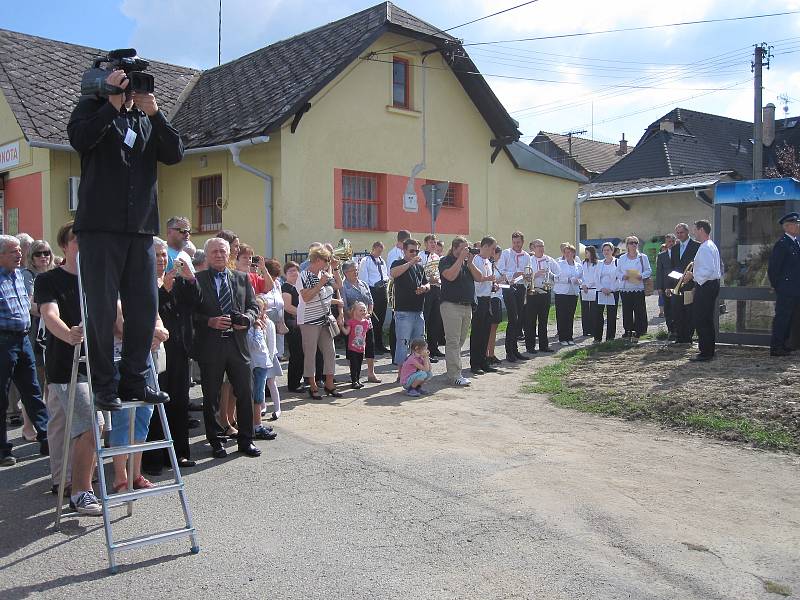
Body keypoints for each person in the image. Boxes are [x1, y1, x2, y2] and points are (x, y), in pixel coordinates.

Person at [67, 66, 182, 412]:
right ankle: (104, 385)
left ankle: (134, 378)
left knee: (145, 307)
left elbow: (175, 152)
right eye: (127, 86)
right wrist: (111, 104)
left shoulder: (145, 119)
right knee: (102, 310)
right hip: (100, 228)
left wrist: (155, 113)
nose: (132, 92)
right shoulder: (90, 109)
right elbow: (80, 139)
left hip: (141, 229)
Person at [35, 221, 104, 513]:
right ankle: (80, 491)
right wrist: (69, 335)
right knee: (88, 426)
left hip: (95, 365)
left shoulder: (97, 278)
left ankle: (72, 480)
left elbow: (115, 316)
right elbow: (50, 315)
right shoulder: (48, 280)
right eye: (77, 240)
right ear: (65, 245)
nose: (83, 245)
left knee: (72, 427)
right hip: (66, 365)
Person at [192, 237, 262, 458]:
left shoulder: (242, 278)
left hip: (237, 345)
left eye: (223, 251)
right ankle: (216, 441)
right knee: (211, 396)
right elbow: (188, 313)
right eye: (214, 252)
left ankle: (246, 440)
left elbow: (253, 306)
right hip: (211, 346)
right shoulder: (197, 280)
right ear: (207, 255)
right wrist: (209, 321)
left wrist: (247, 319)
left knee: (245, 392)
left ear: (229, 254)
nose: (219, 255)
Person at [141, 238, 199, 475]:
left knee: (179, 403)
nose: (162, 259)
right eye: (156, 255)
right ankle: (153, 458)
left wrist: (191, 278)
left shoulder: (178, 280)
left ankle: (179, 454)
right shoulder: (141, 282)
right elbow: (147, 310)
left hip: (179, 350)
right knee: (155, 407)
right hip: (154, 352)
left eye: (165, 255)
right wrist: (163, 289)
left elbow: (198, 302)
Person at [0, 235, 48, 466]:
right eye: (13, 251)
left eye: (19, 250)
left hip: (23, 340)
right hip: (3, 341)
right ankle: (3, 450)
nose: (19, 254)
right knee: (2, 396)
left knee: (33, 391)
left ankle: (47, 437)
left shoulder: (19, 276)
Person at [297, 246, 343, 399]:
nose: (328, 262)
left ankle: (330, 384)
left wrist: (335, 269)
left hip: (325, 319)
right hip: (309, 320)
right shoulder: (303, 275)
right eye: (326, 260)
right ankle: (313, 385)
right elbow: (306, 297)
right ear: (317, 260)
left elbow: (339, 285)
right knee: (310, 353)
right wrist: (320, 284)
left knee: (330, 352)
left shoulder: (324, 273)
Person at [439, 237, 483, 384]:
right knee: (452, 341)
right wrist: (460, 260)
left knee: (460, 341)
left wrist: (469, 262)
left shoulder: (466, 263)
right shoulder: (446, 261)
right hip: (451, 305)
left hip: (466, 306)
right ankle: (454, 375)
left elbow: (479, 277)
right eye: (464, 248)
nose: (467, 251)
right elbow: (450, 276)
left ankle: (453, 371)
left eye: (468, 248)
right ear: (455, 248)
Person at [683, 220, 721, 361]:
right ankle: (708, 350)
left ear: (701, 230)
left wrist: (693, 275)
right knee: (706, 319)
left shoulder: (705, 247)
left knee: (701, 319)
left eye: (695, 230)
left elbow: (708, 270)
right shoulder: (710, 245)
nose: (693, 233)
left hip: (706, 285)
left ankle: (705, 352)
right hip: (710, 284)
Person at [390, 238, 429, 369]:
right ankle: (401, 373)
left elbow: (426, 282)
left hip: (418, 310)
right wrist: (411, 262)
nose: (415, 253)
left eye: (417, 251)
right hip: (403, 311)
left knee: (419, 344)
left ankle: (415, 370)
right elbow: (393, 273)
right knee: (403, 343)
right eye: (411, 251)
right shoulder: (398, 263)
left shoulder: (419, 267)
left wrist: (425, 288)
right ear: (404, 250)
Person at [341, 261, 381, 384]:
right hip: (353, 324)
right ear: (346, 272)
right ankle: (353, 374)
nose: (356, 272)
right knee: (352, 350)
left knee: (370, 345)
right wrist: (356, 317)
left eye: (357, 269)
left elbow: (370, 301)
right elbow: (344, 306)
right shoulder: (343, 287)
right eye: (353, 270)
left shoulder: (363, 284)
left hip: (366, 323)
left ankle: (371, 373)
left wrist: (368, 313)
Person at [247, 296, 281, 436]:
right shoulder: (252, 325)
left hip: (264, 362)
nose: (260, 312)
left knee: (260, 393)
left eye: (261, 309)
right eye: (257, 309)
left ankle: (258, 422)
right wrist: (257, 328)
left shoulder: (268, 323)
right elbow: (255, 345)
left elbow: (270, 345)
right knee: (256, 395)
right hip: (256, 363)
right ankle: (256, 425)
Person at [767, 213, 800, 357]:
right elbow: (773, 269)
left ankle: (785, 344)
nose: (798, 226)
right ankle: (776, 347)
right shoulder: (782, 244)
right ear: (787, 226)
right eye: (795, 223)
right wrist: (779, 287)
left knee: (791, 318)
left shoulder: (795, 243)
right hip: (786, 289)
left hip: (795, 289)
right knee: (782, 318)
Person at [496, 232, 531, 362]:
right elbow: (500, 270)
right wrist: (514, 274)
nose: (516, 245)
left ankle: (515, 350)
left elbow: (528, 271)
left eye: (518, 242)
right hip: (509, 288)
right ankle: (509, 351)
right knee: (513, 318)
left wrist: (527, 276)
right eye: (514, 242)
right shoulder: (506, 253)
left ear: (522, 242)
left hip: (521, 287)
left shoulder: (526, 255)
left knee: (519, 319)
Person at [470, 237, 499, 374]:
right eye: (493, 248)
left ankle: (484, 361)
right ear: (485, 246)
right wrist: (488, 279)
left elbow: (487, 280)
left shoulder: (488, 261)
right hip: (478, 300)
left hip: (487, 298)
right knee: (477, 332)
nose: (494, 251)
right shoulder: (475, 259)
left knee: (486, 331)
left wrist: (493, 285)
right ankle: (475, 363)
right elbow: (477, 280)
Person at [526, 239, 560, 353]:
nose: (540, 248)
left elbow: (558, 273)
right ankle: (530, 347)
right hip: (532, 292)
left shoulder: (549, 260)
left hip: (545, 292)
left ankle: (544, 345)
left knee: (543, 320)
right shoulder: (529, 260)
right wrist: (536, 275)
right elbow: (525, 276)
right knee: (530, 320)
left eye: (542, 246)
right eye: (538, 246)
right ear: (533, 248)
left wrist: (551, 275)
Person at [670, 223, 700, 345]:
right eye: (677, 233)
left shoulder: (697, 246)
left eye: (681, 232)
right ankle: (679, 336)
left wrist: (691, 278)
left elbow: (698, 265)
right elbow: (672, 267)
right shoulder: (674, 248)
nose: (679, 235)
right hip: (677, 284)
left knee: (689, 311)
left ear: (687, 232)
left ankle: (688, 336)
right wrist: (671, 285)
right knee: (677, 311)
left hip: (690, 284)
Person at [616, 236, 651, 341]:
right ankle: (628, 330)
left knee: (639, 309)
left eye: (636, 242)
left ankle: (639, 330)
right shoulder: (622, 258)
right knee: (627, 310)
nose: (634, 244)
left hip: (638, 286)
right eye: (631, 243)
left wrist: (641, 275)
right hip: (626, 287)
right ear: (627, 245)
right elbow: (617, 272)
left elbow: (648, 271)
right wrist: (623, 276)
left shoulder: (642, 257)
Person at [358, 241, 390, 354]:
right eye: (378, 251)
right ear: (373, 248)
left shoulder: (382, 261)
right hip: (372, 291)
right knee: (373, 320)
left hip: (382, 291)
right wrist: (367, 295)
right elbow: (363, 279)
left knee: (381, 319)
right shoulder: (365, 261)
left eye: (381, 251)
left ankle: (380, 344)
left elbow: (386, 274)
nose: (379, 253)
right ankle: (372, 345)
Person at [281, 262, 306, 392]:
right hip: (292, 323)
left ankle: (298, 380)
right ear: (285, 274)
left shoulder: (298, 286)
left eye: (296, 270)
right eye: (290, 271)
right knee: (296, 354)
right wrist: (304, 314)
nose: (294, 273)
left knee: (301, 353)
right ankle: (293, 384)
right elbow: (288, 307)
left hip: (300, 321)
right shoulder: (286, 287)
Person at [420, 234, 445, 359]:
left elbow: (439, 273)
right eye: (431, 242)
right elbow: (420, 274)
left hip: (437, 289)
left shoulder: (437, 257)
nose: (433, 244)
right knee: (425, 319)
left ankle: (434, 348)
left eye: (434, 242)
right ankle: (424, 351)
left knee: (436, 320)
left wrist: (438, 279)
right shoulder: (420, 256)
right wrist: (430, 278)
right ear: (425, 243)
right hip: (426, 290)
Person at [554, 243, 583, 345]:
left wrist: (578, 281)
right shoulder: (560, 264)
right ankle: (562, 338)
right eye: (565, 252)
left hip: (573, 292)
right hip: (562, 293)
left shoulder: (578, 266)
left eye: (569, 252)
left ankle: (569, 337)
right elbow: (555, 278)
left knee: (570, 315)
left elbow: (582, 278)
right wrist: (568, 280)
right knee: (562, 315)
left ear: (573, 253)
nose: (567, 254)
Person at [593, 242, 619, 343]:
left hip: (613, 292)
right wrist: (602, 288)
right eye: (604, 250)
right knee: (598, 315)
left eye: (608, 250)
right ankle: (597, 337)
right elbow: (596, 278)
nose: (606, 252)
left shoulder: (617, 262)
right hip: (600, 291)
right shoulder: (599, 263)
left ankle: (610, 338)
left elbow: (619, 278)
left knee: (611, 315)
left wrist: (611, 289)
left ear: (612, 251)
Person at [342, 302, 372, 389]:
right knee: (354, 365)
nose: (363, 312)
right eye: (360, 310)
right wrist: (341, 326)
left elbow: (365, 334)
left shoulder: (366, 322)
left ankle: (358, 380)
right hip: (352, 348)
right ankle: (354, 381)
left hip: (361, 348)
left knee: (359, 365)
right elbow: (346, 332)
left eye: (364, 310)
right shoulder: (351, 322)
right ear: (354, 311)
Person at [655, 234, 677, 337]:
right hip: (665, 285)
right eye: (669, 242)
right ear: (666, 243)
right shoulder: (661, 255)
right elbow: (659, 272)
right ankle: (670, 330)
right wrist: (659, 287)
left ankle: (678, 329)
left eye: (672, 241)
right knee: (667, 308)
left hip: (678, 285)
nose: (671, 244)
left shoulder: (679, 254)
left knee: (677, 307)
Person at [486, 245, 504, 365]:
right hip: (490, 298)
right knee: (489, 328)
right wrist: (498, 281)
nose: (498, 257)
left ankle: (491, 353)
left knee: (495, 327)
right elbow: (487, 281)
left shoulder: (497, 264)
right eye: (497, 254)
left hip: (497, 297)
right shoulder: (488, 263)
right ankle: (487, 354)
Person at [580, 246, 599, 337]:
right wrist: (583, 285)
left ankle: (593, 329)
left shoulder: (597, 264)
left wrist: (588, 285)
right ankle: (585, 330)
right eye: (585, 252)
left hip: (593, 289)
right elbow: (580, 275)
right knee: (585, 310)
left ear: (592, 253)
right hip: (583, 289)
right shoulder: (583, 263)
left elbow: (596, 277)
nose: (586, 254)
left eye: (587, 252)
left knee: (593, 310)